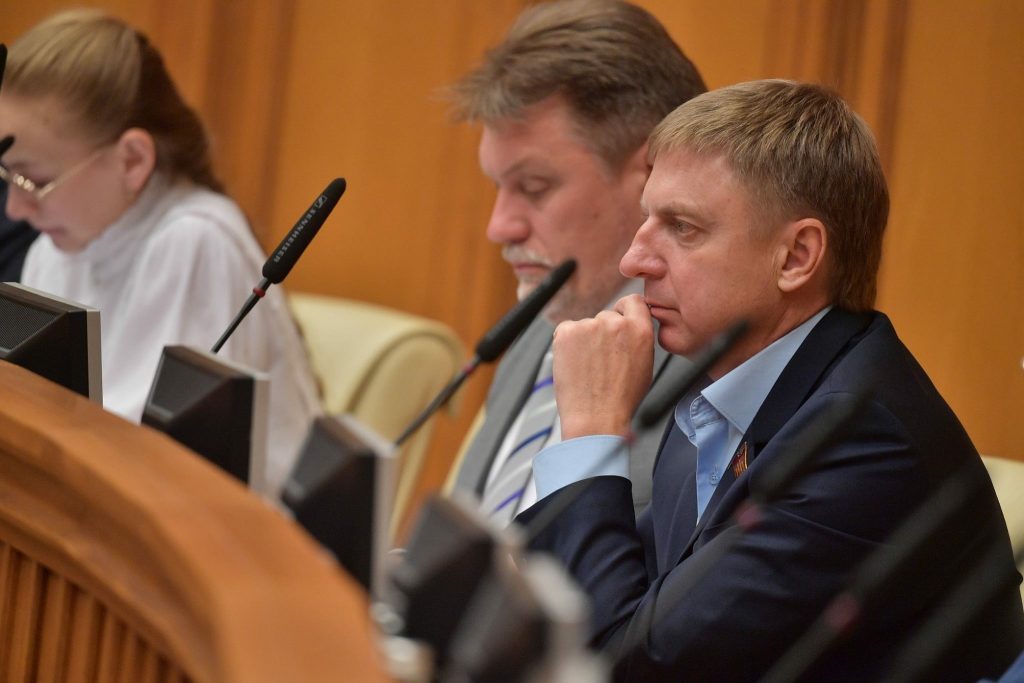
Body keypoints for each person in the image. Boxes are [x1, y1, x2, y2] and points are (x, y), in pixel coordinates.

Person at [518, 80, 1024, 680]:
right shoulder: (719, 390)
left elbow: (627, 666)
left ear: (796, 257)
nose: (635, 260)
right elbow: (622, 597)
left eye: (682, 228)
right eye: (646, 219)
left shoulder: (862, 439)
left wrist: (591, 432)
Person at [0, 10, 320, 497]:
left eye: (35, 181)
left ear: (132, 160)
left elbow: (153, 464)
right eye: (8, 177)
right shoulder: (55, 246)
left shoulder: (196, 241)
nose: (15, 209)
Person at [447, 0, 707, 522]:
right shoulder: (543, 323)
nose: (500, 227)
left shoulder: (715, 370)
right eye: (499, 187)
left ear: (651, 172)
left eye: (534, 187)